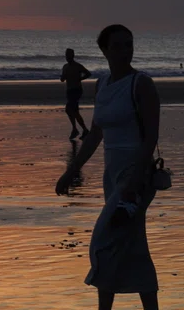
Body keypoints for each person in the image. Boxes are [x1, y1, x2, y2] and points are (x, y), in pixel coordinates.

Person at [56, 25, 161, 310]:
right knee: (131, 243)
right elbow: (95, 135)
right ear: (104, 50)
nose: (125, 50)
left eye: (129, 44)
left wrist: (132, 183)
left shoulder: (141, 84)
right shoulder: (101, 84)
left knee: (103, 239)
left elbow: (151, 137)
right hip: (111, 174)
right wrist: (72, 170)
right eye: (118, 45)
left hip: (136, 174)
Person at [61, 48, 92, 140]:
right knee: (73, 110)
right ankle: (80, 130)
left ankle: (79, 129)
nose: (68, 57)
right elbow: (62, 79)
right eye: (66, 55)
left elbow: (88, 73)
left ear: (73, 56)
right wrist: (63, 77)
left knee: (69, 109)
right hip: (69, 90)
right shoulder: (65, 67)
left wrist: (80, 79)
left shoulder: (78, 66)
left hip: (77, 90)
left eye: (69, 55)